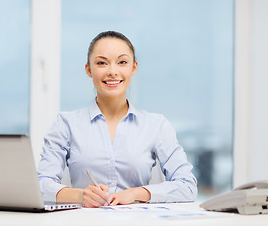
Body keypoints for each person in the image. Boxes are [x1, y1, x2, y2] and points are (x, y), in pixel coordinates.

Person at [37, 31, 197, 208]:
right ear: (88, 70)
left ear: (133, 68)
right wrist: (79, 196)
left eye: (122, 62)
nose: (112, 71)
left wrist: (137, 193)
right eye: (101, 63)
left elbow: (187, 185)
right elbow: (41, 183)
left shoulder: (156, 125)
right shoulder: (66, 124)